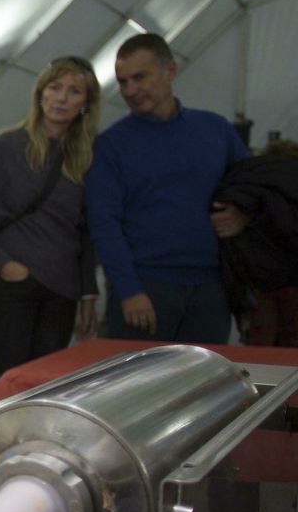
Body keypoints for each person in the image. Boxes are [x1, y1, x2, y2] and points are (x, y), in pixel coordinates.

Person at [85, 33, 247, 343]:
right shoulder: (110, 147)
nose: (131, 90)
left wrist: (244, 215)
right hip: (147, 286)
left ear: (169, 71)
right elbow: (104, 224)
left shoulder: (216, 130)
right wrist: (129, 291)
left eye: (140, 77)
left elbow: (251, 187)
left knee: (206, 387)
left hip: (211, 287)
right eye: (123, 82)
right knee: (138, 388)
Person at [0, 59, 101, 386]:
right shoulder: (4, 148)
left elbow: (86, 231)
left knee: (47, 386)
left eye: (74, 91)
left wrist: (88, 293)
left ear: (86, 105)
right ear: (40, 95)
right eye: (55, 87)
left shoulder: (85, 158)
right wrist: (2, 263)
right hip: (10, 288)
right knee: (8, 386)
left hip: (61, 291)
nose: (62, 98)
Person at [213, 140, 298, 348]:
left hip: (260, 274)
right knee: (293, 335)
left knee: (260, 337)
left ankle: (259, 379)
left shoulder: (248, 192)